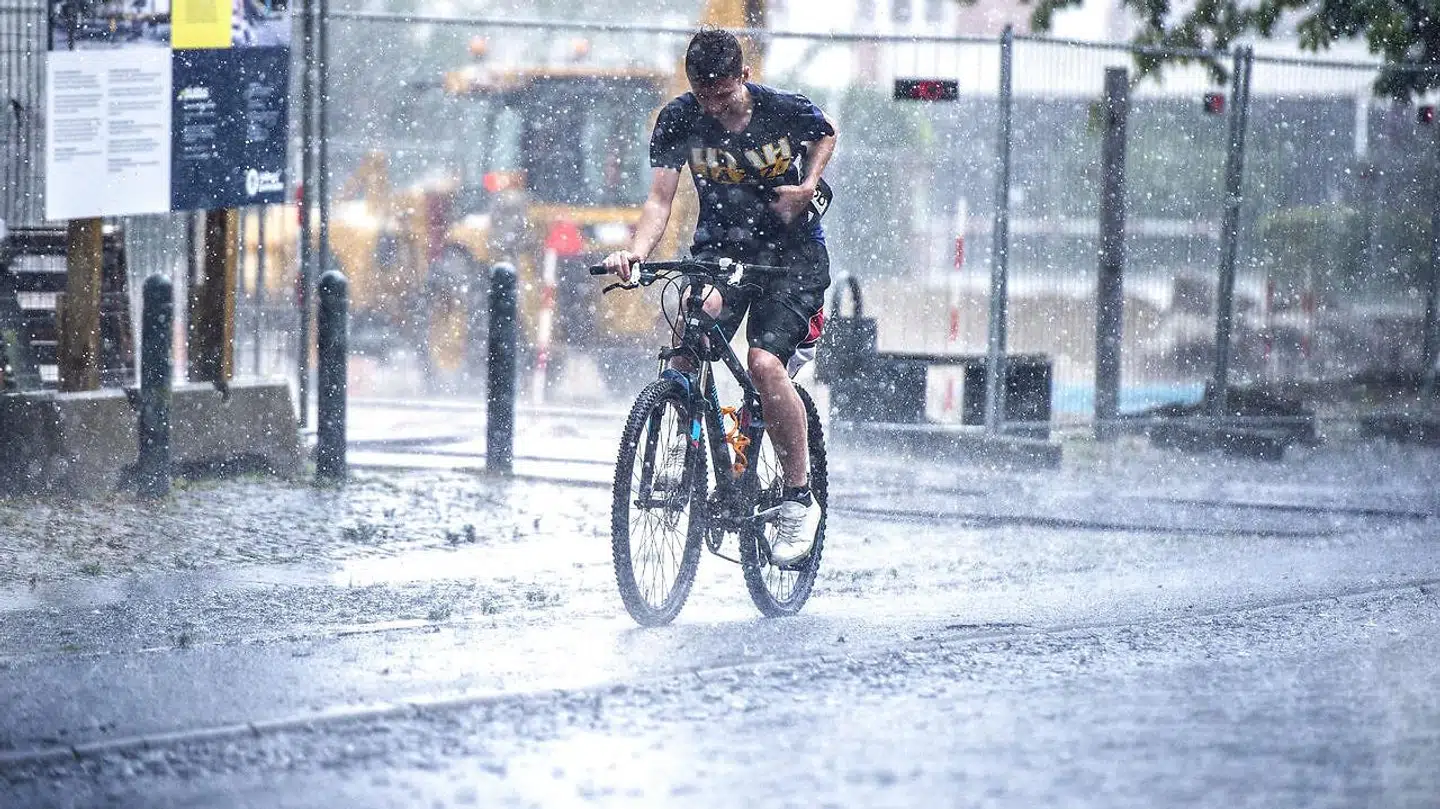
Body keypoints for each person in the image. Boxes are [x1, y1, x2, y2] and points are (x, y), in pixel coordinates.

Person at [602, 27, 838, 566]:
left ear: (744, 78)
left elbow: (826, 131)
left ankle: (799, 499)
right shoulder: (679, 118)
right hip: (721, 255)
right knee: (691, 332)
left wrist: (808, 188)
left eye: (725, 97)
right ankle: (683, 448)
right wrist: (635, 251)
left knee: (763, 364)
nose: (716, 109)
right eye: (705, 98)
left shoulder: (783, 110)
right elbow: (660, 201)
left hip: (790, 260)